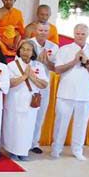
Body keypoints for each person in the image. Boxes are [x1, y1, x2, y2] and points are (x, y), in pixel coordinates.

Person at [51, 23, 89, 161]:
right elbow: (57, 69)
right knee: (61, 121)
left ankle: (77, 149)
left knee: (81, 123)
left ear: (87, 35)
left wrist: (88, 64)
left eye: (83, 34)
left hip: (84, 94)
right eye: (77, 34)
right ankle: (56, 148)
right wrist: (75, 61)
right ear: (74, 34)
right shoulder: (64, 49)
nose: (80, 36)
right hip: (65, 93)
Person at [2, 39, 49, 161]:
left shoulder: (38, 66)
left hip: (31, 102)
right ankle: (12, 151)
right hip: (15, 100)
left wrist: (32, 77)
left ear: (33, 52)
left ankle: (23, 151)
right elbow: (9, 83)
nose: (25, 52)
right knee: (13, 125)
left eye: (28, 49)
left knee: (27, 127)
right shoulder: (11, 65)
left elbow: (44, 84)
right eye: (23, 49)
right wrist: (24, 77)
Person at [28, 22, 58, 154]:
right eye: (40, 30)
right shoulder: (28, 43)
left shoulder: (54, 47)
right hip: (28, 83)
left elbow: (56, 68)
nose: (43, 33)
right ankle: (23, 141)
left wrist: (46, 62)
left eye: (46, 31)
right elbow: (21, 61)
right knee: (26, 114)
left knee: (40, 114)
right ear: (35, 30)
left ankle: (34, 142)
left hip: (44, 84)